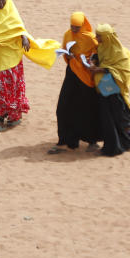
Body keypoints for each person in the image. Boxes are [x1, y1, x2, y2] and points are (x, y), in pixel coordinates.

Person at [0, 0, 60, 133]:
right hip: (2, 59)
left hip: (13, 59)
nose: (0, 3)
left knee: (6, 88)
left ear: (7, 0)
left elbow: (20, 29)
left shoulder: (12, 13)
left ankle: (2, 119)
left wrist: (24, 37)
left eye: (3, 0)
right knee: (5, 89)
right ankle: (9, 116)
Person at [48, 11, 101, 154]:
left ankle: (92, 141)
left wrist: (91, 60)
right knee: (64, 106)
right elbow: (64, 48)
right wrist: (68, 55)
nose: (74, 30)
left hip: (86, 76)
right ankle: (66, 142)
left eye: (77, 27)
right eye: (72, 26)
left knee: (87, 108)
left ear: (83, 26)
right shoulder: (68, 35)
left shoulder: (90, 38)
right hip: (72, 73)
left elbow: (99, 53)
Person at [87, 23, 130, 156]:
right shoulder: (103, 47)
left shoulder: (118, 52)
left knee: (121, 116)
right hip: (104, 90)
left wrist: (99, 69)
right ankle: (111, 146)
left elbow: (122, 70)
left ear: (106, 37)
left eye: (99, 36)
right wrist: (92, 61)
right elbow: (99, 56)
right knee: (107, 119)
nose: (96, 37)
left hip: (115, 91)